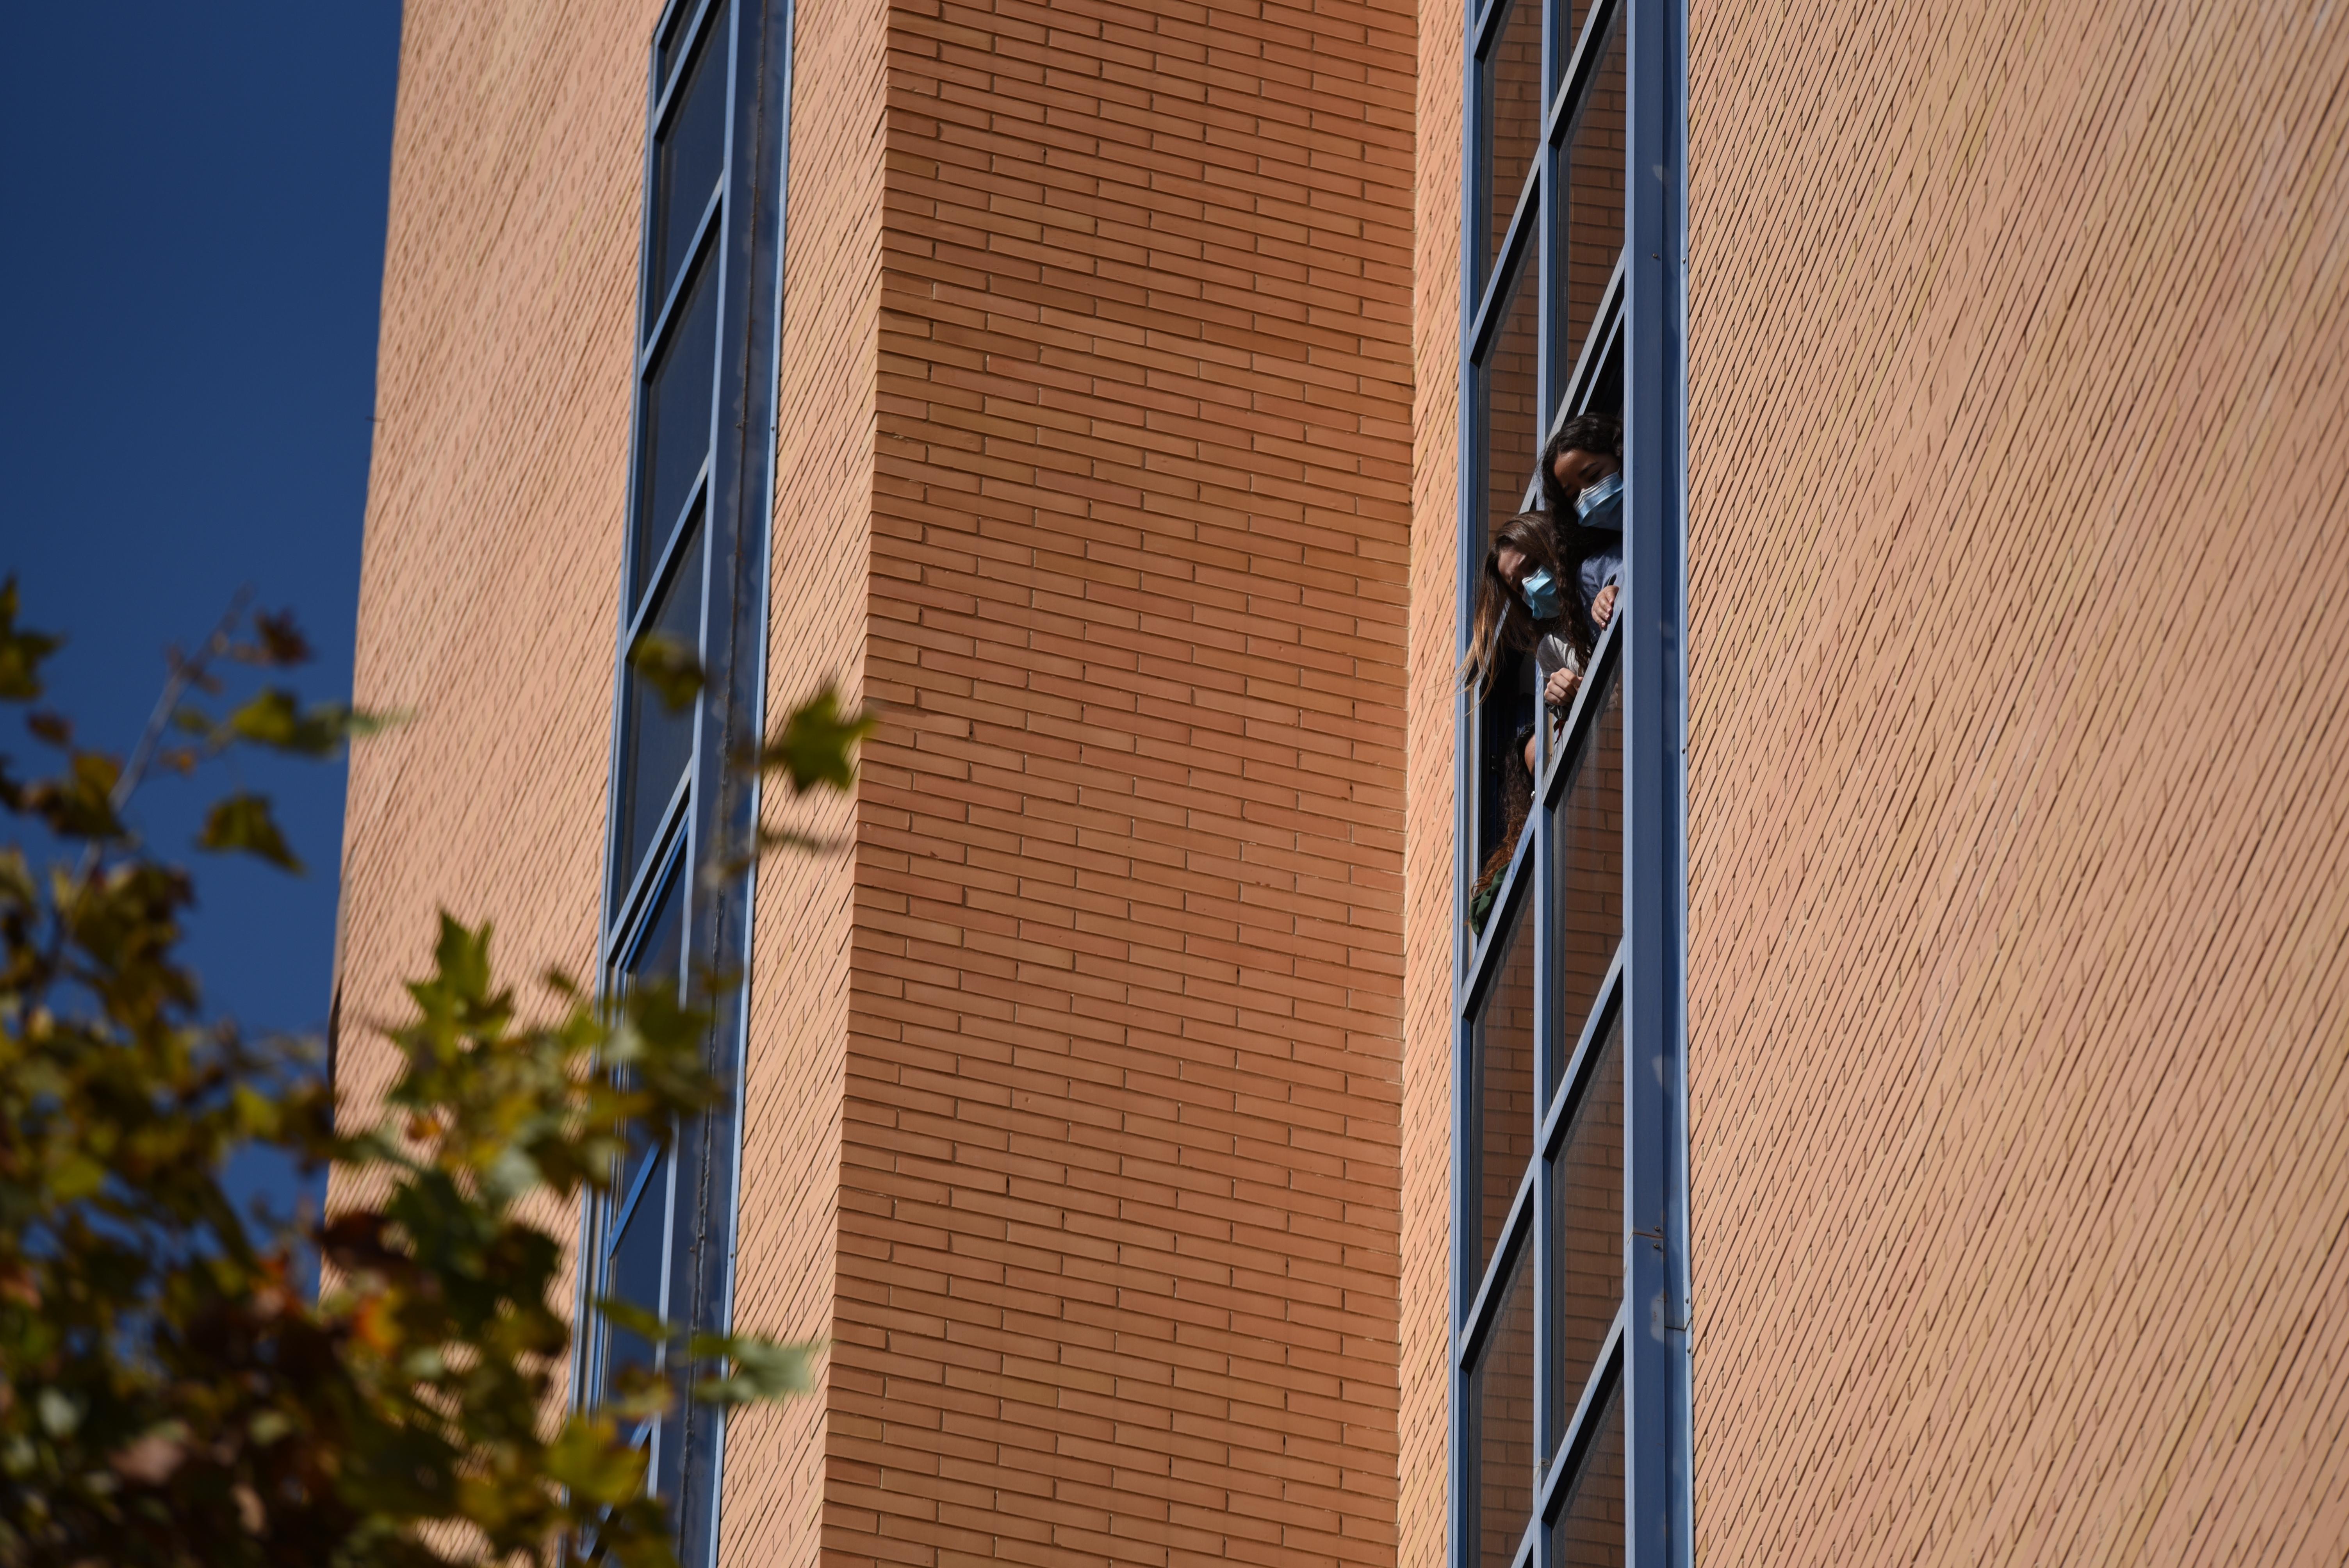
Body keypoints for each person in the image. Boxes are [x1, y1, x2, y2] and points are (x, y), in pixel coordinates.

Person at [1458, 510, 1583, 932]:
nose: (1531, 585)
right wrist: (1564, 702)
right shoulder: (1549, 649)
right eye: (1518, 584)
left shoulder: (1596, 582)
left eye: (1531, 567)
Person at [1538, 414, 1624, 643]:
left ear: (1620, 454)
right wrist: (1611, 601)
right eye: (1575, 496)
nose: (1588, 494)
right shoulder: (1593, 572)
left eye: (1594, 476)